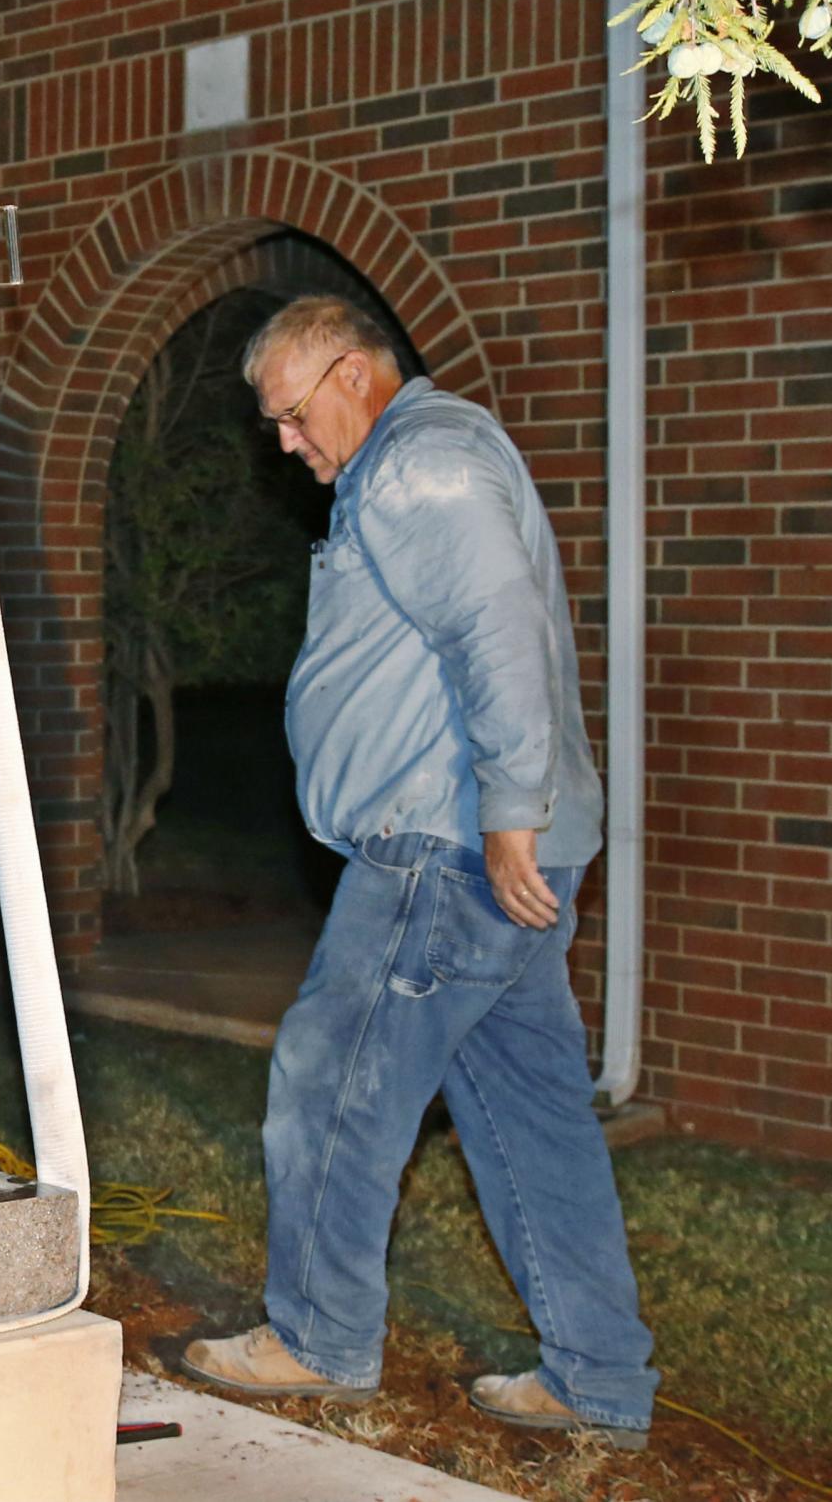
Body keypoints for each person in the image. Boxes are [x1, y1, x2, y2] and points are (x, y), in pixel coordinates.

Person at [179, 297, 657, 1448]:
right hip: (488, 852)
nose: (284, 444)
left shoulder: (416, 467)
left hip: (443, 847)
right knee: (529, 1115)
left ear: (352, 373)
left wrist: (504, 813)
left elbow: (492, 629)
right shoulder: (433, 452)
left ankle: (317, 1336)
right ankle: (597, 1373)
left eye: (291, 416)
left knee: (330, 1079)